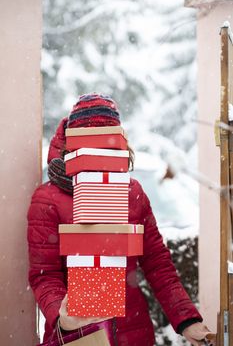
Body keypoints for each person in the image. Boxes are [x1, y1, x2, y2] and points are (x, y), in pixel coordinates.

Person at [27, 93, 212, 346]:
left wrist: (187, 320)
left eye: (108, 146)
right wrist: (62, 317)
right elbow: (44, 274)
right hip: (78, 336)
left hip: (133, 334)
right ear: (73, 146)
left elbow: (158, 265)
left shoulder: (131, 193)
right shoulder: (48, 199)